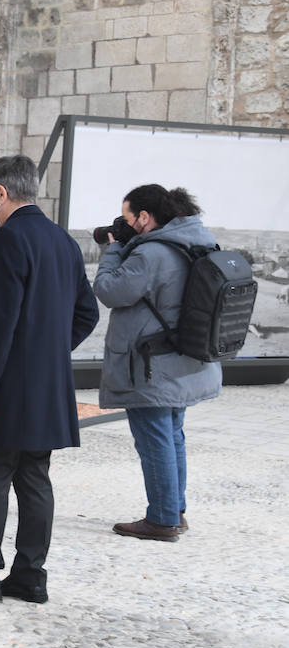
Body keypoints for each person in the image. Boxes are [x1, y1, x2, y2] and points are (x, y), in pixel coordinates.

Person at [0, 155, 98, 606]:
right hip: (47, 385)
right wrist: (46, 352)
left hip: (7, 386)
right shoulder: (63, 241)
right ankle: (30, 576)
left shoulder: (9, 239)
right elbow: (87, 313)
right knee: (35, 479)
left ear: (1, 192)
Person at [92, 184, 221, 541]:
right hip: (182, 357)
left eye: (129, 217)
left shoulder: (151, 254)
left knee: (155, 440)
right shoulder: (196, 240)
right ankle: (174, 510)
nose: (125, 223)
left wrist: (113, 247)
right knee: (172, 435)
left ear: (145, 218)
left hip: (150, 364)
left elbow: (108, 290)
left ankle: (162, 519)